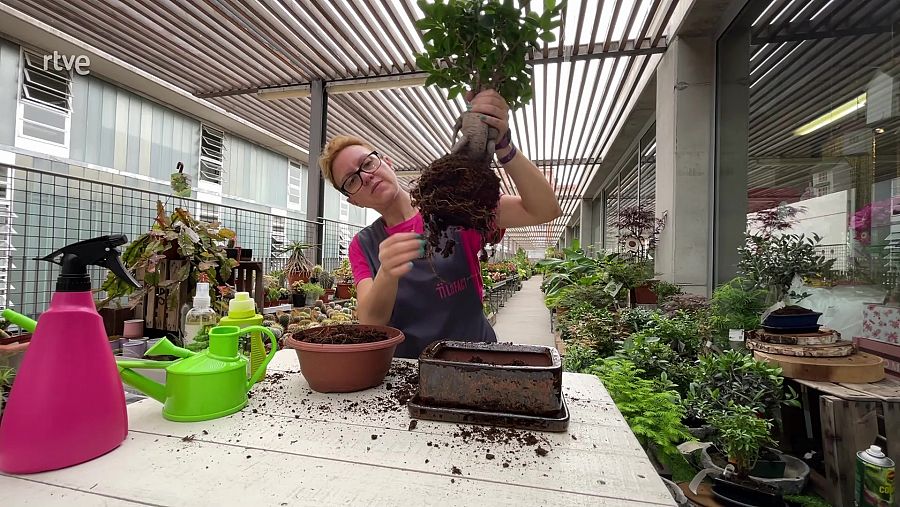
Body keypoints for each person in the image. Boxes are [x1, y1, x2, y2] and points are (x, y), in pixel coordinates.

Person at [318, 89, 561, 358]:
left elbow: (544, 209)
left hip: (476, 357)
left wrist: (504, 146)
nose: (367, 177)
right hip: (412, 371)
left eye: (368, 163)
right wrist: (387, 273)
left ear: (387, 162)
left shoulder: (454, 205)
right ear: (353, 201)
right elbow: (371, 322)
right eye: (352, 180)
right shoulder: (364, 245)